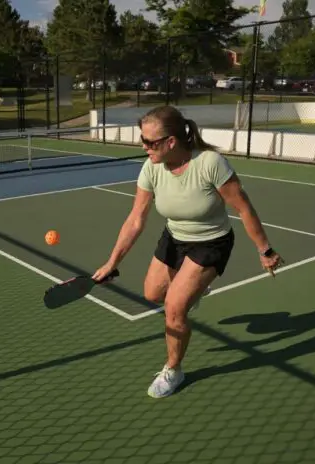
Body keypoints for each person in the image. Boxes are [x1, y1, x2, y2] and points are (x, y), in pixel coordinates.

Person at [92, 105, 284, 399]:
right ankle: (194, 290)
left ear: (171, 142)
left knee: (174, 307)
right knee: (152, 295)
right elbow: (135, 219)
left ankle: (174, 369)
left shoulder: (210, 163)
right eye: (141, 140)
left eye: (149, 142)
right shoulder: (151, 168)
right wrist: (111, 262)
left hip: (211, 243)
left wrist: (265, 250)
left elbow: (243, 208)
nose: (143, 147)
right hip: (174, 237)